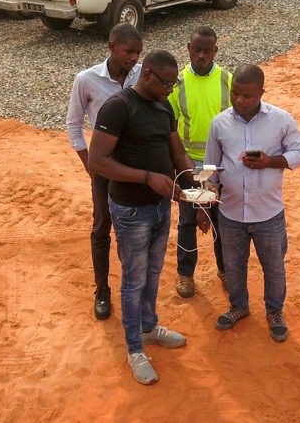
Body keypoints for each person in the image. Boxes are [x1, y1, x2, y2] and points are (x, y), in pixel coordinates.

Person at [89, 49, 196, 385]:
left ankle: (148, 327)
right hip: (131, 210)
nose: (170, 89)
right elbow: (98, 161)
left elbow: (176, 150)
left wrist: (195, 182)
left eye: (173, 83)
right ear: (146, 74)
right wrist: (148, 177)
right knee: (134, 281)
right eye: (166, 82)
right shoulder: (119, 107)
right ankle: (134, 348)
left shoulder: (164, 105)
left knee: (152, 272)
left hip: (162, 206)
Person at [203, 64, 300, 343]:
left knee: (273, 267)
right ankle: (238, 306)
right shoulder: (219, 123)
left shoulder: (281, 120)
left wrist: (270, 162)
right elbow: (211, 166)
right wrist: (204, 200)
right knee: (233, 265)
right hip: (230, 212)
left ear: (261, 92)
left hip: (268, 213)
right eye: (235, 94)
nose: (239, 100)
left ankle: (275, 312)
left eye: (247, 96)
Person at [65, 23, 143, 321]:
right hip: (104, 167)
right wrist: (89, 163)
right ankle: (101, 289)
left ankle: (132, 289)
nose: (134, 58)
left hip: (136, 164)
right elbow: (73, 124)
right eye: (128, 52)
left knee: (134, 229)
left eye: (137, 52)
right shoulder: (86, 80)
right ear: (111, 46)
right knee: (102, 227)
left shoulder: (141, 74)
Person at [168, 26, 232, 298]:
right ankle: (185, 274)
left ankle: (226, 269)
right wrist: (178, 168)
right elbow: (169, 126)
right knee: (186, 221)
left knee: (221, 220)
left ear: (216, 51)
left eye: (208, 50)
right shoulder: (178, 83)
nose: (202, 55)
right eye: (197, 50)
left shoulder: (228, 80)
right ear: (188, 49)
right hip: (188, 165)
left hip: (219, 167)